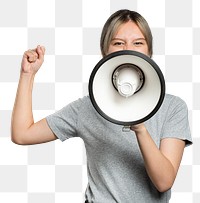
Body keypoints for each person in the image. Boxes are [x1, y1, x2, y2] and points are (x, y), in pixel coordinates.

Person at [11, 9, 192, 203]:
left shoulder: (172, 107)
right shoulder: (88, 107)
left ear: (149, 51)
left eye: (138, 43)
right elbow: (22, 134)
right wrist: (27, 75)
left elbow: (164, 182)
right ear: (105, 51)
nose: (127, 50)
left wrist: (139, 128)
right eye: (118, 43)